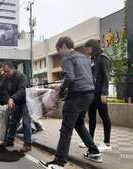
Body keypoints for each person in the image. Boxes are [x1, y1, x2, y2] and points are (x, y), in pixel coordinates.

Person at [39, 37, 102, 169]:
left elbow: (71, 77)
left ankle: (58, 162)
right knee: (79, 124)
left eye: (58, 49)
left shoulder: (67, 58)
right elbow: (86, 76)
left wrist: (61, 89)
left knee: (66, 129)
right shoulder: (84, 57)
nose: (59, 53)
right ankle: (94, 151)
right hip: (89, 94)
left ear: (63, 46)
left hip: (76, 96)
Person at [78, 39, 112, 152]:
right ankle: (89, 140)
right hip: (92, 93)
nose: (86, 52)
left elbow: (106, 77)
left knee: (104, 116)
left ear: (92, 47)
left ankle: (107, 143)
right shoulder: (93, 59)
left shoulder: (103, 58)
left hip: (100, 94)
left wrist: (104, 93)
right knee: (91, 118)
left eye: (87, 49)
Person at [0, 61, 32, 152]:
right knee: (13, 121)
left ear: (12, 68)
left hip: (26, 101)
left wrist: (12, 98)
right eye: (4, 72)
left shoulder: (21, 76)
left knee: (26, 122)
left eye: (7, 71)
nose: (6, 74)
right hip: (17, 102)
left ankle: (27, 144)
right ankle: (9, 140)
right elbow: (0, 88)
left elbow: (22, 90)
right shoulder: (6, 77)